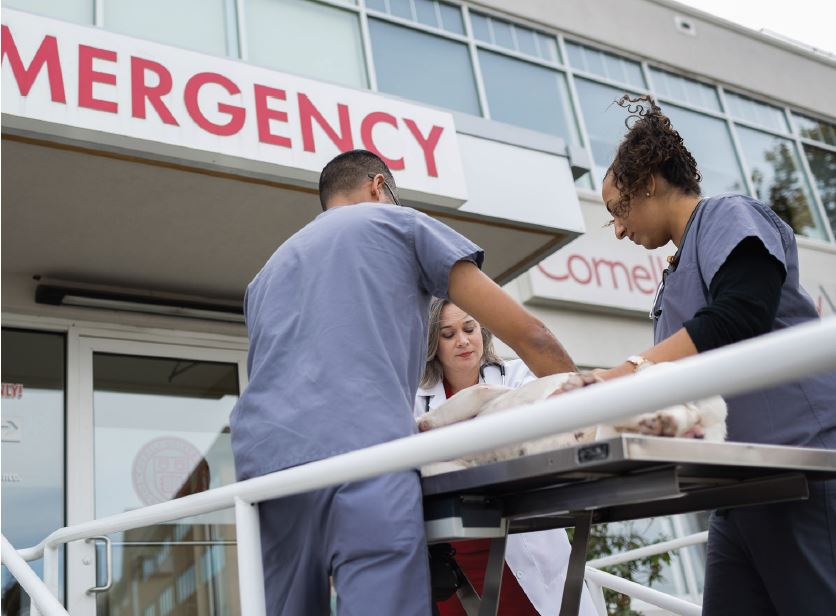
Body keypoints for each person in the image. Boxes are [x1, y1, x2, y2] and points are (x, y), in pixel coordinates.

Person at [230, 149, 576, 615]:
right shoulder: (398, 223)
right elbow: (530, 333)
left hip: (265, 467)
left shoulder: (265, 275)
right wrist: (597, 403)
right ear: (378, 187)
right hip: (365, 451)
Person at [562, 95, 836, 615]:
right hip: (737, 491)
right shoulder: (679, 268)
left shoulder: (727, 215)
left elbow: (741, 313)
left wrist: (624, 374)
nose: (618, 229)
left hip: (802, 470)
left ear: (650, 184)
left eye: (618, 210)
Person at [415, 298, 597, 616]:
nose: (463, 340)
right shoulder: (416, 400)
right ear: (433, 344)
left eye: (470, 328)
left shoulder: (518, 378)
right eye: (448, 334)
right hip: (455, 551)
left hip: (519, 538)